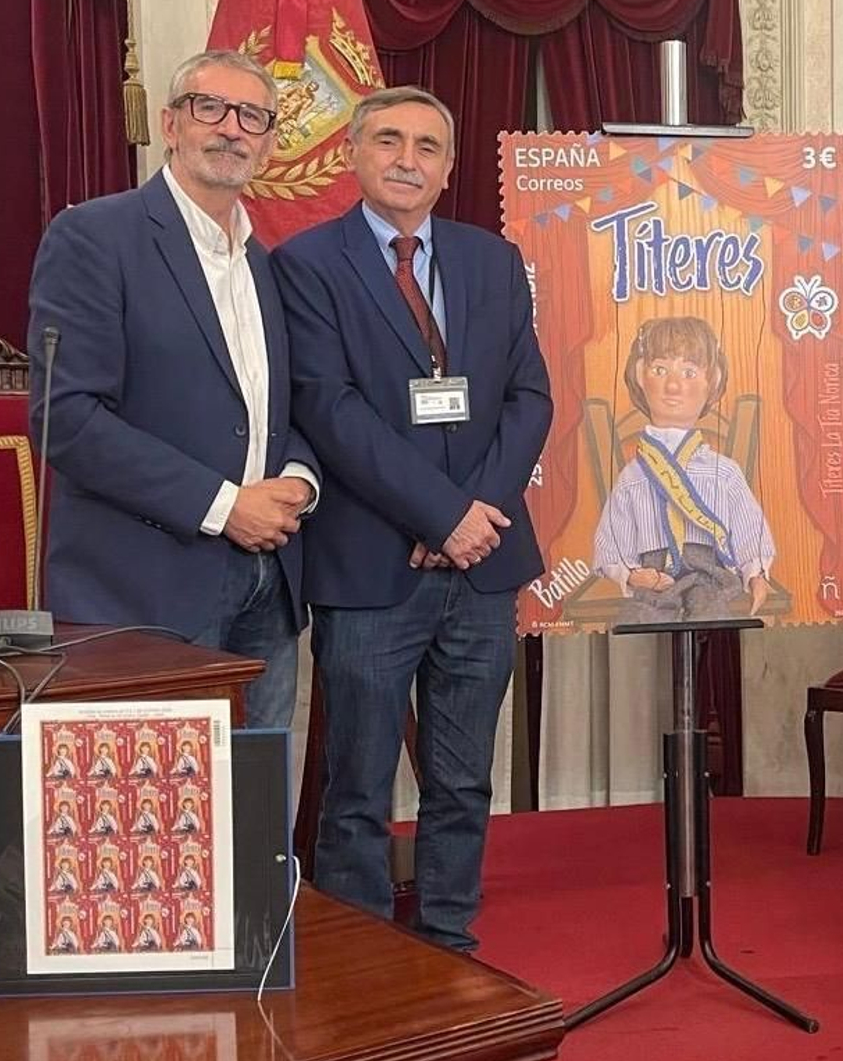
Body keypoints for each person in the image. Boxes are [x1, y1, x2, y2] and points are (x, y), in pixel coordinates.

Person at [273, 86, 552, 952]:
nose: (407, 158)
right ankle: (364, 963)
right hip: (370, 567)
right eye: (388, 140)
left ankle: (448, 943)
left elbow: (530, 398)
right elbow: (331, 409)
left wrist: (474, 519)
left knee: (463, 781)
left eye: (427, 145)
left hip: (483, 565)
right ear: (354, 155)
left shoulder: (492, 261)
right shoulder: (306, 263)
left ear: (448, 167)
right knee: (356, 784)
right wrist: (439, 514)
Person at [28, 49, 319, 731]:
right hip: (141, 591)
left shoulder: (265, 263)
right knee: (151, 825)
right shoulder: (95, 236)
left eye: (252, 116)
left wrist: (300, 482)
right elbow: (67, 419)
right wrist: (224, 506)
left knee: (252, 816)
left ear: (272, 141)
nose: (231, 128)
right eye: (209, 108)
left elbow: (277, 411)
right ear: (170, 123)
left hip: (267, 587)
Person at [591, 316, 776, 621]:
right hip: (654, 577)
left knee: (712, 614)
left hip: (709, 576)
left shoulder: (723, 471)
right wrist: (633, 575)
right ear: (640, 375)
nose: (673, 385)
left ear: (712, 381)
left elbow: (748, 528)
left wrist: (755, 573)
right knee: (640, 618)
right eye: (659, 370)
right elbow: (611, 538)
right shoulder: (633, 476)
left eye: (689, 372)